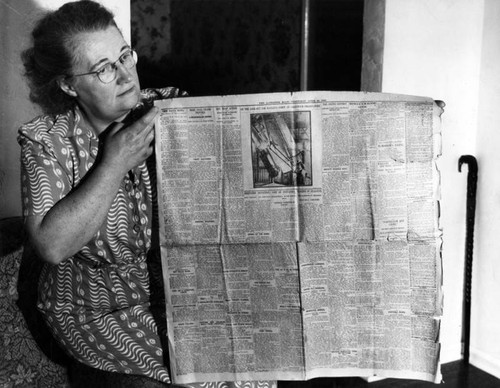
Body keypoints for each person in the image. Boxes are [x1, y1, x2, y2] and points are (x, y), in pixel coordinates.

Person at [18, 2, 276, 388]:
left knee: (251, 375)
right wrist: (114, 162)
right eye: (104, 67)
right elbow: (52, 247)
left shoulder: (170, 107)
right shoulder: (45, 141)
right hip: (93, 311)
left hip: (178, 299)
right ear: (68, 85)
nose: (125, 75)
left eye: (125, 56)